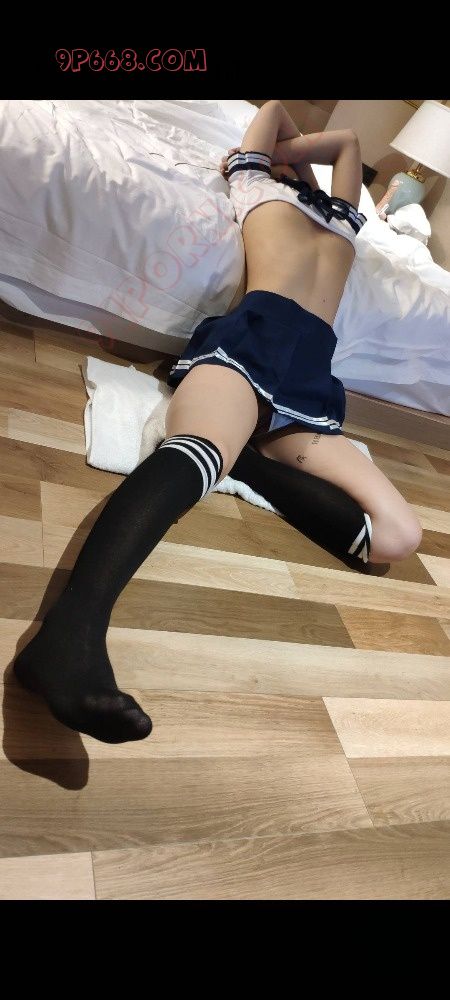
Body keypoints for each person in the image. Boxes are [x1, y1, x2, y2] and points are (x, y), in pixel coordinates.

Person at [14, 101, 422, 745]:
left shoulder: (344, 216)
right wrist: (282, 162)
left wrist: (305, 175)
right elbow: (277, 111)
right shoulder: (251, 180)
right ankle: (69, 637)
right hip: (250, 343)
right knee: (196, 450)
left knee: (399, 536)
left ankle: (246, 461)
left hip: (310, 386)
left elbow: (347, 144)